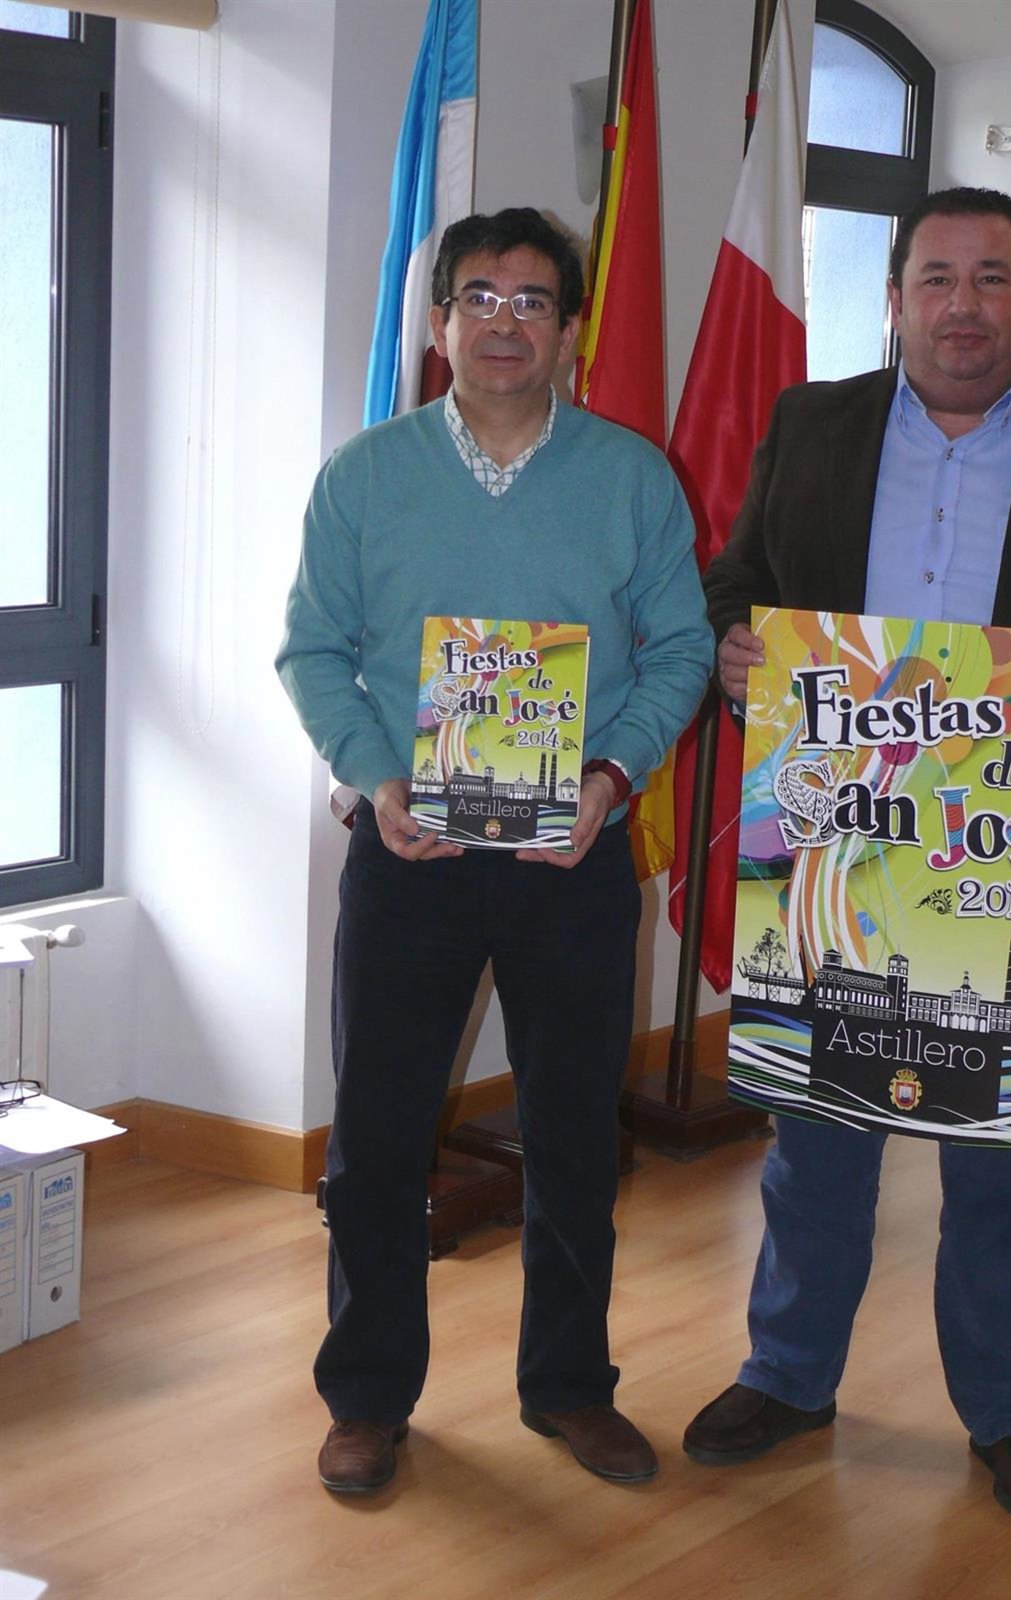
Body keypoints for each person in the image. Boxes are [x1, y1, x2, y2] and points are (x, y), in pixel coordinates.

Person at [684, 187, 1011, 1526]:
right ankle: (788, 1376)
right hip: (833, 839)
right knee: (815, 1140)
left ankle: (1010, 1409)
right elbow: (737, 579)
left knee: (1000, 1158)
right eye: (937, 278)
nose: (963, 306)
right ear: (896, 297)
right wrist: (735, 648)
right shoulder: (812, 423)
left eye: (991, 278)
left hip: (999, 856)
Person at [277, 208, 712, 1494]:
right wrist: (375, 776)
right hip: (407, 851)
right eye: (479, 296)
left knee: (574, 1132)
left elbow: (683, 649)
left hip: (572, 857)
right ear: (439, 321)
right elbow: (313, 650)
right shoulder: (366, 474)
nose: (504, 322)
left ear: (570, 329)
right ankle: (367, 1397)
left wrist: (612, 776)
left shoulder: (631, 477)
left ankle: (569, 1384)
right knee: (375, 1136)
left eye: (532, 301)